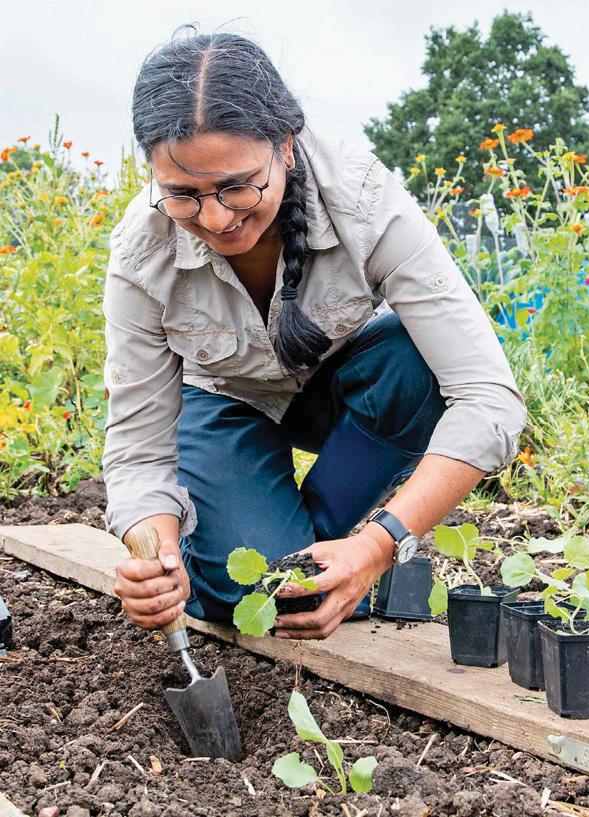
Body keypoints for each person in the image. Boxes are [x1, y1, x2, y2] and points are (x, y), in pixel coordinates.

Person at [105, 28, 526, 641]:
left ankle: (332, 556)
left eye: (237, 185)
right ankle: (267, 557)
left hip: (339, 391)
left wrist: (380, 545)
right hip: (223, 400)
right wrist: (157, 553)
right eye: (183, 195)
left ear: (286, 147)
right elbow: (139, 445)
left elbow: (489, 400)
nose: (217, 218)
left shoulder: (365, 203)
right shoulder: (144, 254)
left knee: (416, 366)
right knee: (259, 596)